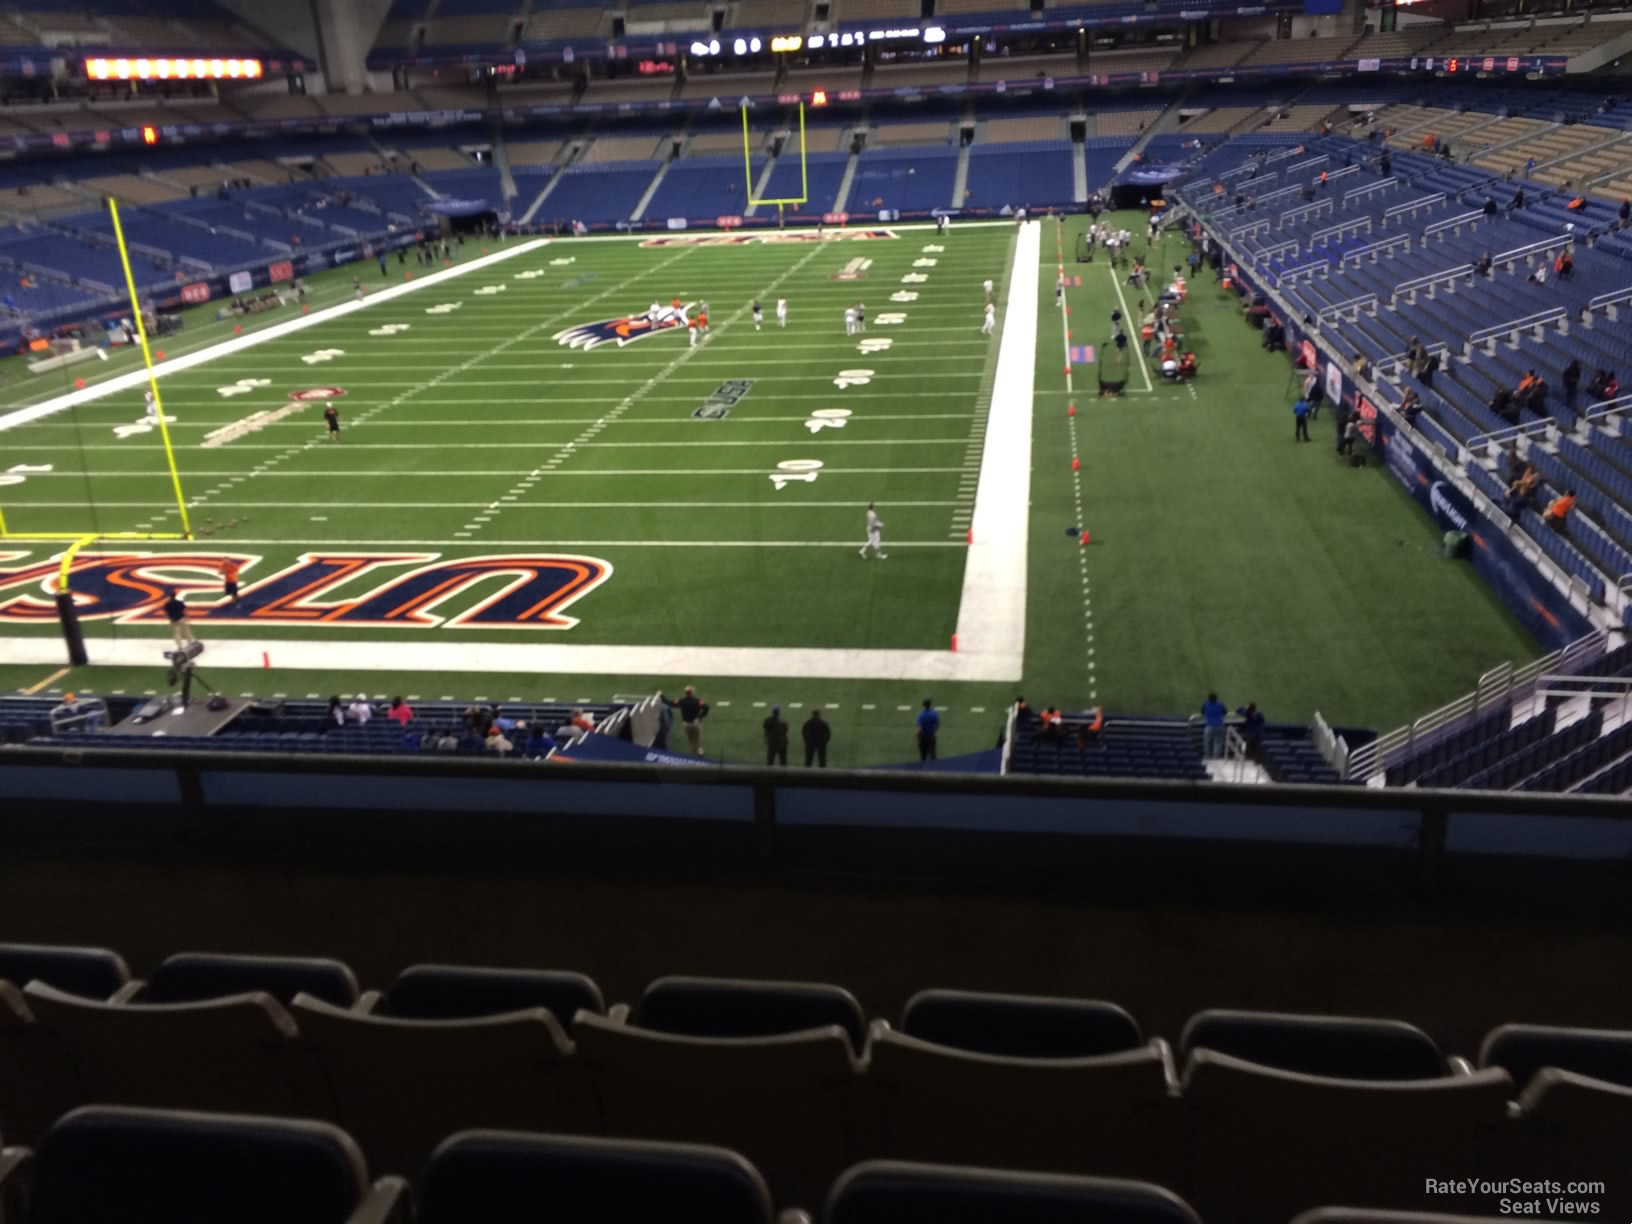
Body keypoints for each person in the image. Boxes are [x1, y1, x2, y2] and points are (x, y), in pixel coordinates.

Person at [664, 686, 709, 754]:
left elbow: (670, 703)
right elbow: (706, 707)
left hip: (686, 724)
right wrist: (701, 716)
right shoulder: (697, 701)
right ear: (692, 692)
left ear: (685, 693)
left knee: (690, 739)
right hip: (696, 723)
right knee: (697, 738)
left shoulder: (682, 701)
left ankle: (693, 751)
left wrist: (661, 696)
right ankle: (699, 751)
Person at [1201, 692, 1227, 760]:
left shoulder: (1205, 704)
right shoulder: (1220, 704)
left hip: (1209, 726)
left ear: (1209, 699)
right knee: (1218, 743)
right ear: (1216, 699)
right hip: (1220, 726)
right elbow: (1225, 712)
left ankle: (1208, 757)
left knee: (1207, 743)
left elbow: (1202, 712)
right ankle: (1216, 759)